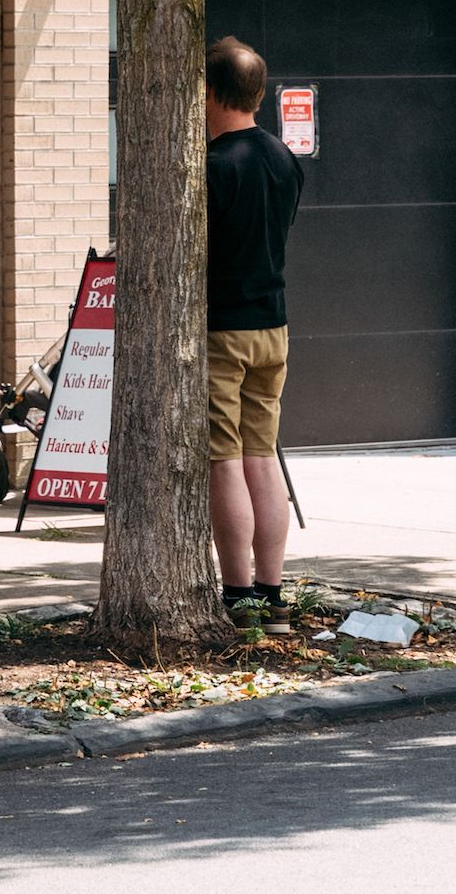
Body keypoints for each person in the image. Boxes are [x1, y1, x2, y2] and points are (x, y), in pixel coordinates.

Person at [205, 36, 304, 634]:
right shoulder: (284, 159)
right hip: (275, 327)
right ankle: (271, 594)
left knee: (224, 463)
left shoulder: (215, 167)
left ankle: (239, 596)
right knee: (262, 457)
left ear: (211, 93)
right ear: (260, 95)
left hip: (224, 331)